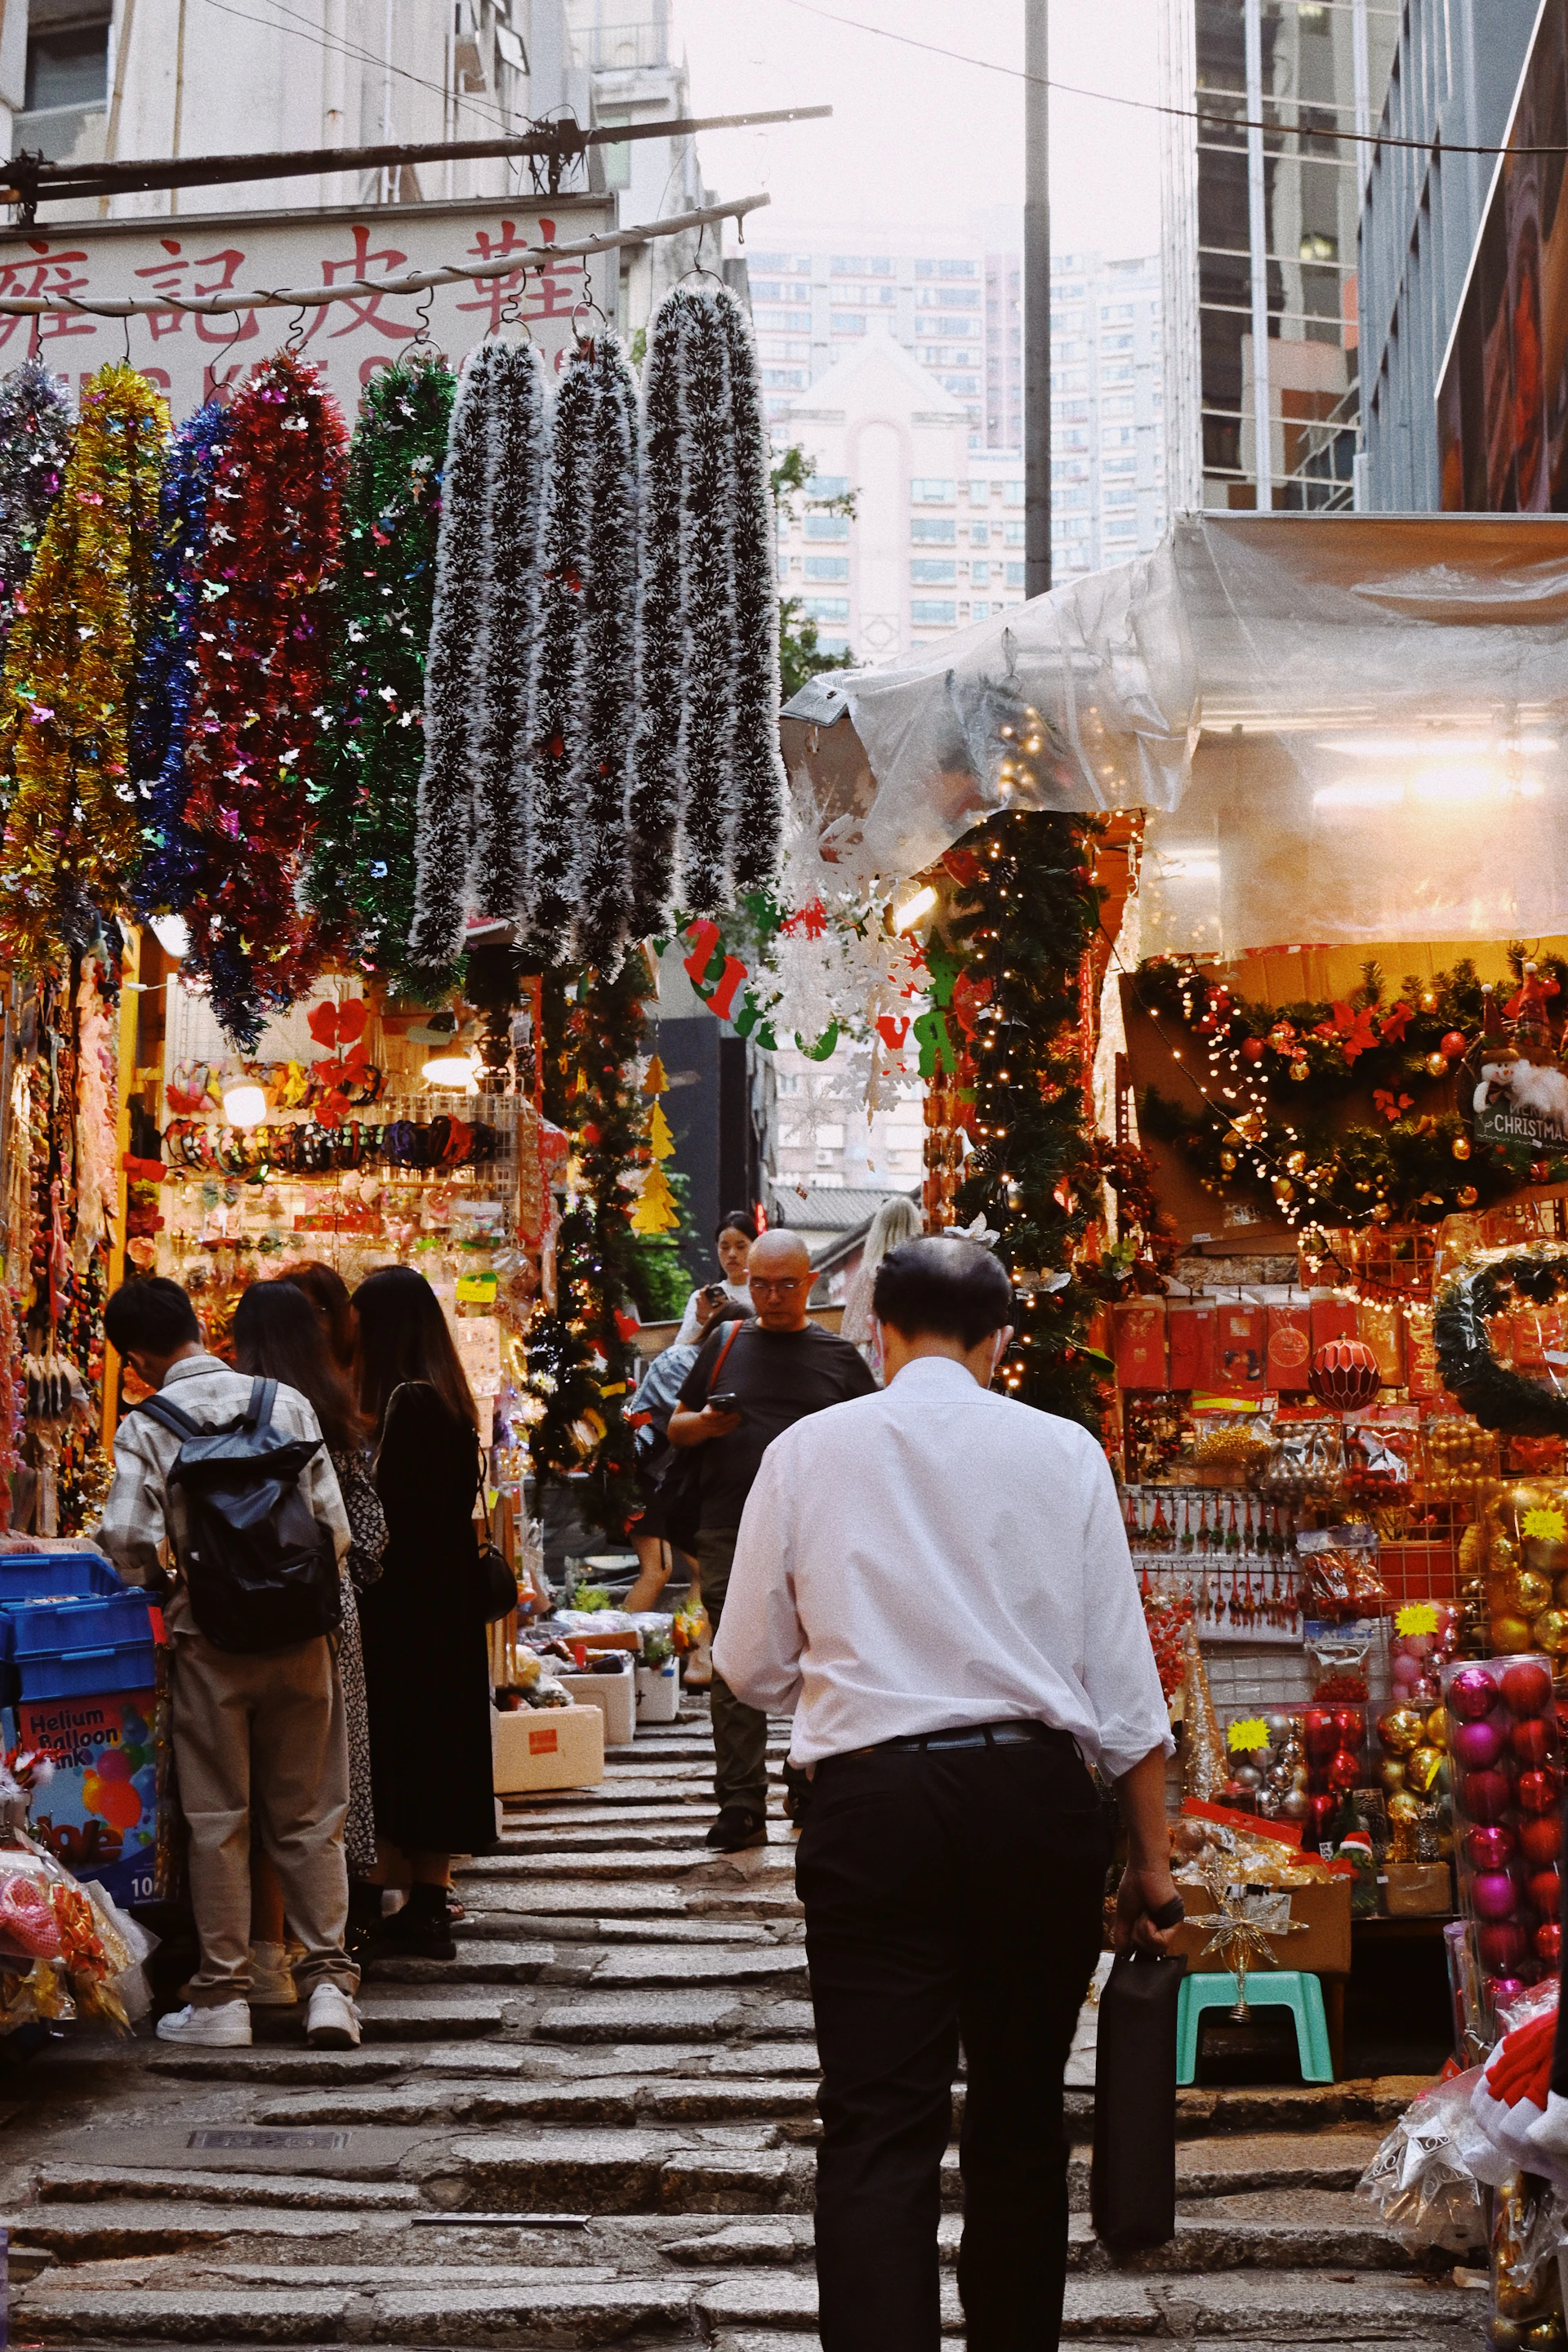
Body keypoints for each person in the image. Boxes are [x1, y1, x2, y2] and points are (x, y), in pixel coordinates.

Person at [712, 1235, 1179, 2352]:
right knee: (1020, 2115)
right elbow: (1123, 1686)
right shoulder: (1062, 1452)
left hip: (872, 1805)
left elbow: (746, 1664)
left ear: (878, 1332)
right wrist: (1153, 1863)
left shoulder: (810, 1452)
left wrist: (846, 1678)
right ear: (1000, 1340)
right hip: (1032, 1804)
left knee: (878, 2118)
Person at [96, 1276, 361, 2051]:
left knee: (218, 1821)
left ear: (137, 1357)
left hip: (209, 1641)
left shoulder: (148, 1423)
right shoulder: (283, 1402)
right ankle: (327, 1989)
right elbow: (332, 1529)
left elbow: (129, 1542)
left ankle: (223, 1997)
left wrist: (174, 1590)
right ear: (198, 1326)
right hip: (300, 1640)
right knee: (312, 1817)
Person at [667, 1228, 876, 1851]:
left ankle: (809, 1775)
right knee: (734, 1660)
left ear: (811, 1283)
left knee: (823, 1651)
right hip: (730, 1522)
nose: (773, 1296)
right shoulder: (725, 1342)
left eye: (787, 1284)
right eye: (760, 1284)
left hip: (821, 1529)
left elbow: (873, 1444)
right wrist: (705, 1424)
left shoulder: (838, 1358)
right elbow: (674, 1428)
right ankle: (740, 1802)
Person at [233, 1281, 388, 1981]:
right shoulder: (327, 1413)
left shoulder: (220, 1409)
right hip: (322, 1613)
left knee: (238, 1791)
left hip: (227, 1615)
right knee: (319, 1787)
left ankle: (262, 1950)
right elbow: (365, 1533)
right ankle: (328, 1950)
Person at [352, 1263, 496, 1960]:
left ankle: (392, 1896)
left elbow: (390, 1522)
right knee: (443, 1749)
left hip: (403, 1610)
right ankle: (430, 1902)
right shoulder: (449, 1402)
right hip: (450, 1606)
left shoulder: (402, 1406)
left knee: (397, 1745)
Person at [621, 1298, 751, 1629]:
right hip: (636, 1474)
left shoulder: (721, 1370)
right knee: (657, 1570)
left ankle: (689, 1647)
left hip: (667, 1483)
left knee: (703, 1571)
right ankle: (614, 1645)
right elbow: (690, 1419)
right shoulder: (680, 1360)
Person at [840, 1193, 923, 1374]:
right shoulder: (924, 1273)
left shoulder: (869, 1273)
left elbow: (852, 1330)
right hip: (917, 1356)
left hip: (877, 1359)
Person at [672, 1210, 756, 1345]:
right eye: (725, 1247)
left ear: (755, 1247)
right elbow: (681, 1348)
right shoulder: (702, 1300)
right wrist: (701, 1318)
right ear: (717, 1249)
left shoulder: (766, 1293)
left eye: (741, 1247)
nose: (732, 1254)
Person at [280, 1258, 357, 1374]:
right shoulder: (272, 1380)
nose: (308, 1323)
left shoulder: (359, 1381)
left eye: (319, 1312)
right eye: (297, 1313)